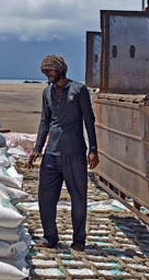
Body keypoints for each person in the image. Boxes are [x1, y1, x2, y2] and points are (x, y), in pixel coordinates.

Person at [27, 55, 98, 251]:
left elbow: (89, 120)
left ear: (60, 69)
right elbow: (44, 123)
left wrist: (93, 149)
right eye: (44, 72)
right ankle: (50, 237)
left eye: (49, 70)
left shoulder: (79, 90)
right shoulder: (46, 93)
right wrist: (36, 149)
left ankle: (78, 240)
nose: (47, 74)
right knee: (46, 198)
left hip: (74, 153)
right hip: (51, 154)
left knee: (79, 198)